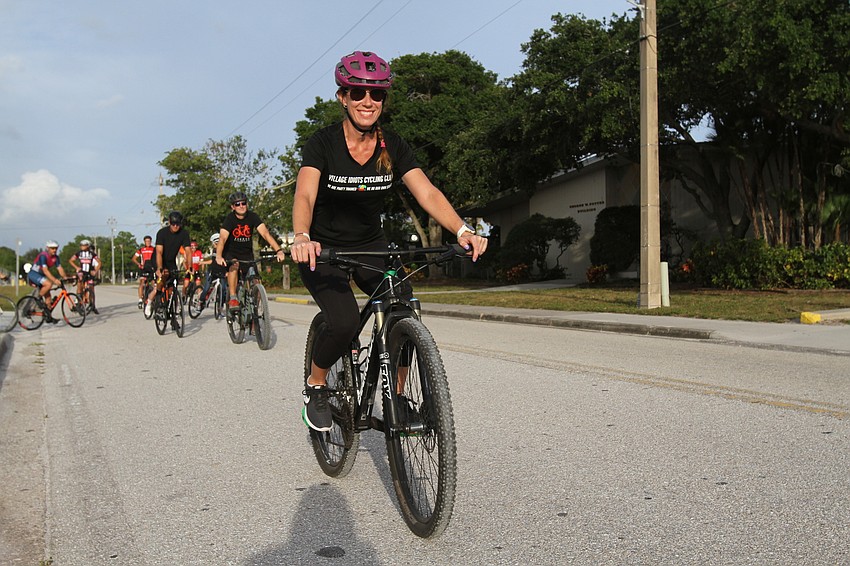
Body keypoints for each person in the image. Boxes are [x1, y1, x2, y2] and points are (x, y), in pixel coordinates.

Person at [289, 51, 488, 431]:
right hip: (322, 249)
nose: (368, 101)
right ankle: (316, 385)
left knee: (402, 307)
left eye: (376, 94)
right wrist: (302, 236)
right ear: (342, 97)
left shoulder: (392, 145)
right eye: (358, 92)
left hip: (371, 245)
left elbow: (426, 192)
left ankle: (395, 397)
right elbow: (305, 196)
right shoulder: (323, 143)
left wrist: (462, 231)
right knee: (345, 322)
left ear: (384, 100)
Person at [214, 191, 285, 312]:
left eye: (243, 203)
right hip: (231, 252)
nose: (241, 206)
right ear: (233, 207)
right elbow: (223, 238)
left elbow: (265, 233)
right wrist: (219, 256)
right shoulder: (229, 219)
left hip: (247, 254)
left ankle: (254, 316)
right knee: (234, 265)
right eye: (237, 204)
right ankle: (233, 298)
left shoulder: (252, 216)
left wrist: (278, 250)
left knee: (255, 281)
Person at [144, 211, 192, 318]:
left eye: (178, 224)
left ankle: (172, 312)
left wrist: (190, 267)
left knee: (172, 288)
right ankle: (154, 303)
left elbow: (188, 251)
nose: (175, 226)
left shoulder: (184, 234)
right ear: (169, 222)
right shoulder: (162, 233)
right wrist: (159, 268)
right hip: (158, 259)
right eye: (173, 224)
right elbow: (159, 252)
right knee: (163, 276)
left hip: (171, 262)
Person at [26, 240, 71, 324]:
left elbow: (60, 269)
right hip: (34, 274)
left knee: (48, 299)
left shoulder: (56, 258)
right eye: (52, 248)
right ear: (48, 248)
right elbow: (45, 271)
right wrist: (55, 280)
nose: (54, 250)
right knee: (49, 284)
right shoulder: (43, 256)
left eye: (56, 248)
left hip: (41, 275)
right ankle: (38, 298)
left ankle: (48, 316)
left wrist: (65, 277)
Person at [69, 239, 101, 314]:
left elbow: (99, 262)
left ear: (88, 246)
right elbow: (71, 260)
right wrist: (76, 267)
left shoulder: (92, 254)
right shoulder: (79, 253)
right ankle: (78, 301)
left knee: (91, 288)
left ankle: (92, 305)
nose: (82, 247)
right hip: (82, 272)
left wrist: (95, 271)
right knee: (80, 284)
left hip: (89, 273)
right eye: (81, 245)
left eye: (84, 245)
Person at [200, 233, 227, 309]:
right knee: (206, 288)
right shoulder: (215, 250)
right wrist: (203, 262)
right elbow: (213, 262)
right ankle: (201, 301)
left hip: (221, 271)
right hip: (212, 271)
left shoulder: (224, 250)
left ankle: (220, 306)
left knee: (224, 289)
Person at [133, 235, 156, 309]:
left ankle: (152, 298)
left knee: (153, 283)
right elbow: (134, 258)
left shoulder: (154, 249)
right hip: (144, 268)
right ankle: (140, 300)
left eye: (149, 241)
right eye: (146, 241)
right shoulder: (141, 249)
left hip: (152, 268)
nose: (148, 242)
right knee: (142, 283)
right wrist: (139, 264)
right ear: (144, 242)